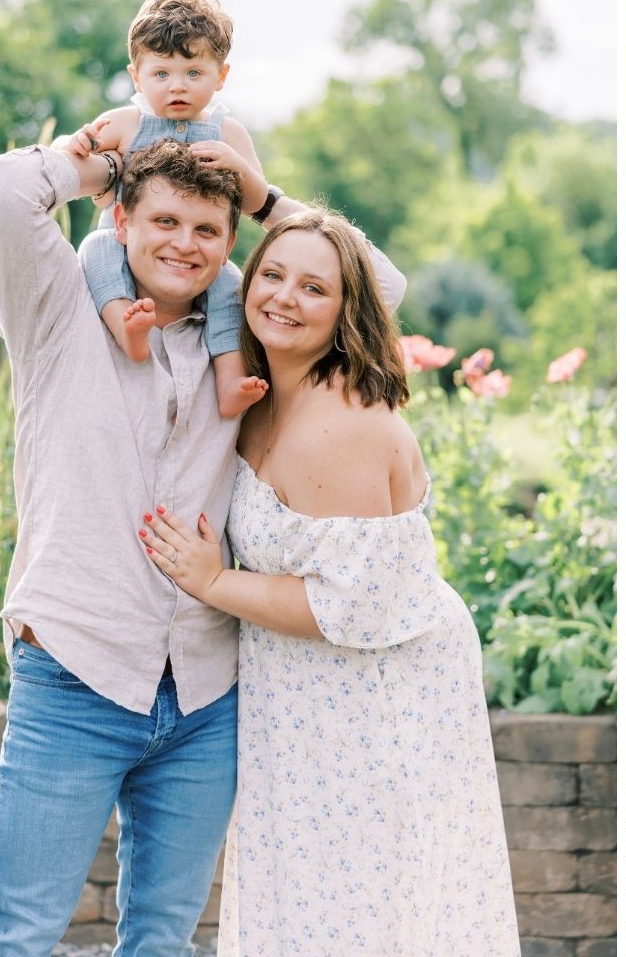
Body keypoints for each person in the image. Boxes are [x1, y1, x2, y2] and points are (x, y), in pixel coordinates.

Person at [0, 137, 403, 954]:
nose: (183, 244)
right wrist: (104, 159)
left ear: (230, 243)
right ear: (122, 221)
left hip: (206, 692)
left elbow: (380, 287)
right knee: (19, 932)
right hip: (74, 668)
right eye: (162, 220)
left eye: (207, 229)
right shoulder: (57, 307)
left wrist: (266, 198)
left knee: (164, 938)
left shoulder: (248, 339)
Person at [141, 208, 521, 955]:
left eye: (315, 287)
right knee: (306, 899)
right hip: (302, 691)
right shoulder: (260, 396)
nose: (284, 296)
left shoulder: (340, 423)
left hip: (376, 695)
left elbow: (351, 602)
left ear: (349, 310)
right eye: (272, 275)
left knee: (360, 907)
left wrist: (211, 581)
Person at [60, 0, 270, 418]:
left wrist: (236, 165)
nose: (177, 85)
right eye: (161, 74)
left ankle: (230, 379)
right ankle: (126, 326)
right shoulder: (127, 122)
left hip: (198, 255)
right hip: (125, 244)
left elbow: (256, 200)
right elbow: (66, 157)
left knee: (231, 288)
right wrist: (75, 142)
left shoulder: (228, 133)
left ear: (221, 76)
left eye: (194, 72)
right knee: (94, 249)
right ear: (137, 77)